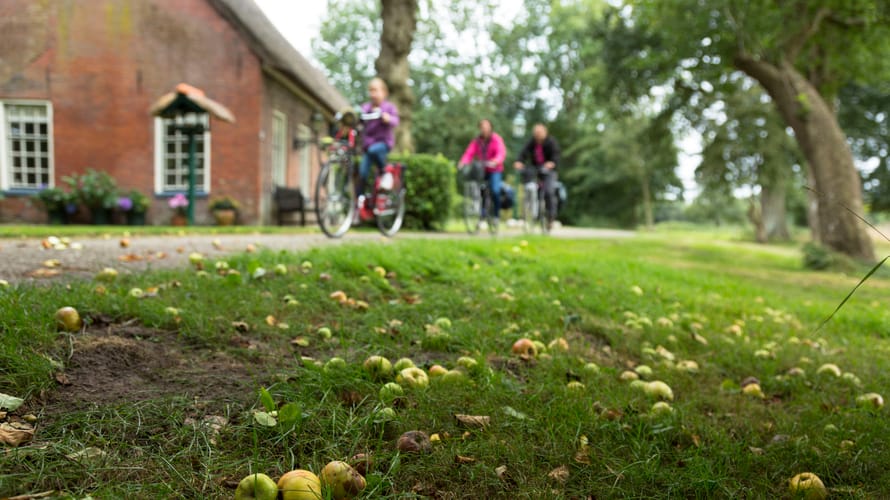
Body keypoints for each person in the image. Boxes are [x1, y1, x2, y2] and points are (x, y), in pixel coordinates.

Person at [357, 77, 399, 220]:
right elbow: (359, 115)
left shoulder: (388, 107)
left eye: (375, 90)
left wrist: (387, 118)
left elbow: (395, 121)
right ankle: (360, 204)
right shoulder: (366, 108)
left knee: (375, 150)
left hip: (383, 144)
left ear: (384, 92)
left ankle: (386, 172)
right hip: (368, 147)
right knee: (362, 173)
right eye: (370, 90)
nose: (372, 94)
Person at [458, 119, 507, 224]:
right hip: (482, 169)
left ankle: (496, 215)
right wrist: (463, 162)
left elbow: (501, 152)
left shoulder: (496, 139)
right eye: (482, 127)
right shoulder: (477, 141)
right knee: (480, 189)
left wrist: (496, 161)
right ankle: (482, 213)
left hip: (495, 169)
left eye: (486, 127)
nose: (484, 129)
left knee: (495, 190)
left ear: (490, 128)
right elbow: (469, 153)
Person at [514, 123, 561, 230]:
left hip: (549, 171)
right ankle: (529, 211)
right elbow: (523, 153)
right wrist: (519, 161)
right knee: (529, 184)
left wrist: (551, 163)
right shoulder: (532, 142)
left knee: (549, 192)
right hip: (536, 169)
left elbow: (556, 155)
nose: (537, 135)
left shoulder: (551, 142)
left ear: (545, 133)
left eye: (540, 133)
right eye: (536, 133)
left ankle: (550, 217)